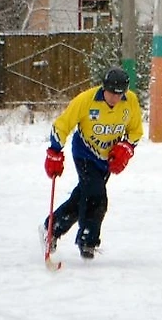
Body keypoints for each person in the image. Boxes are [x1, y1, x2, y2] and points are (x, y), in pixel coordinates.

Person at [41, 66, 144, 260]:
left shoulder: (130, 102)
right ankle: (88, 241)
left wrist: (126, 148)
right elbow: (63, 124)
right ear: (103, 88)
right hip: (85, 153)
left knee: (83, 196)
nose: (115, 98)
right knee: (97, 197)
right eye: (111, 93)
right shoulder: (86, 100)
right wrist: (54, 151)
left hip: (107, 159)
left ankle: (52, 228)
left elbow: (136, 131)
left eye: (120, 94)